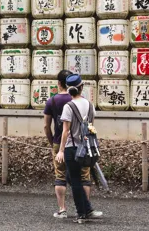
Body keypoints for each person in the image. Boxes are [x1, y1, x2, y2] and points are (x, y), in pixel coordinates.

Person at [43, 70, 93, 218]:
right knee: (84, 177)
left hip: (60, 143)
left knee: (60, 176)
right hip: (82, 144)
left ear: (59, 84)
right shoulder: (83, 101)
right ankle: (84, 208)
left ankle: (62, 209)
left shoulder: (52, 101)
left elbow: (46, 126)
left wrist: (53, 142)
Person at [55, 73, 104, 221]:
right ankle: (87, 209)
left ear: (69, 89)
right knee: (73, 177)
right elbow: (91, 126)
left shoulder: (68, 106)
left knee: (74, 179)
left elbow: (65, 131)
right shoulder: (90, 105)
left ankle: (81, 212)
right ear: (82, 87)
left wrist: (61, 150)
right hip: (86, 147)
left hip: (72, 147)